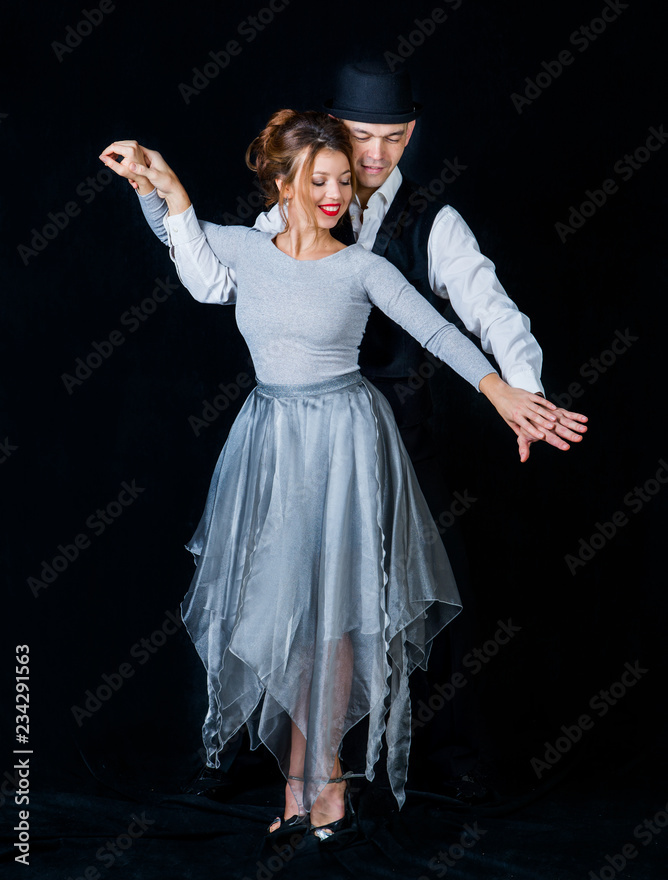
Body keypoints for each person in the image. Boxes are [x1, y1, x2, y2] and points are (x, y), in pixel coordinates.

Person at [99, 111, 565, 842]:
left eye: (344, 182)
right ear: (283, 184)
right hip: (272, 441)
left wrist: (504, 391)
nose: (335, 195)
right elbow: (181, 241)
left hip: (347, 442)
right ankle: (306, 783)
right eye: (319, 181)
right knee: (290, 610)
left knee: (339, 616)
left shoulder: (361, 267)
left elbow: (437, 330)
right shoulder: (245, 250)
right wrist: (153, 185)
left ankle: (323, 785)